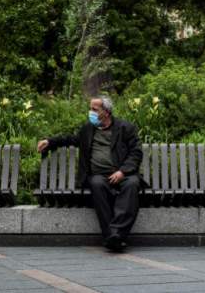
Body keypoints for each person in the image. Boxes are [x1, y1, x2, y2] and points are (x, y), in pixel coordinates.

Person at [37, 96, 147, 252]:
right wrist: (49, 141)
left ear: (106, 112)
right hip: (98, 176)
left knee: (132, 184)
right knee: (96, 184)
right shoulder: (88, 129)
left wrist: (122, 171)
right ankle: (114, 236)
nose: (90, 112)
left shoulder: (125, 128)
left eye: (94, 109)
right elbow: (71, 139)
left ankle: (114, 235)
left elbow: (136, 153)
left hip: (122, 173)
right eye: (90, 108)